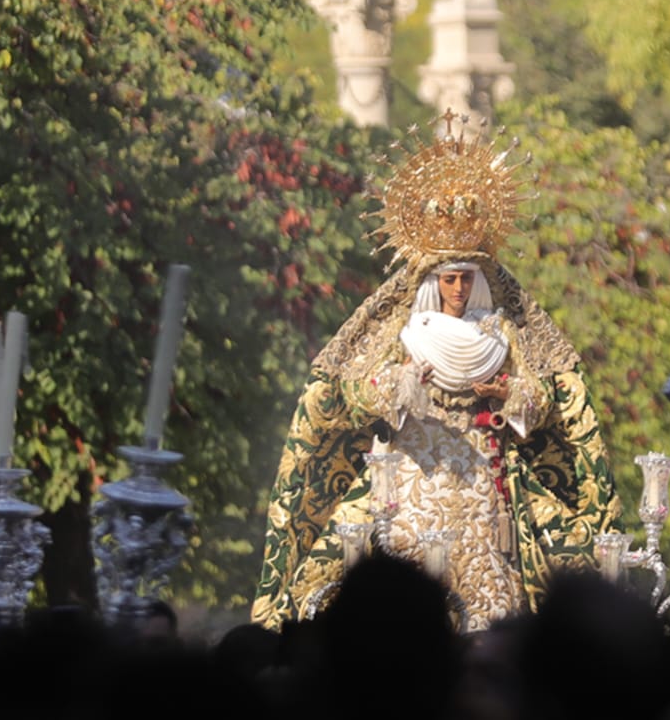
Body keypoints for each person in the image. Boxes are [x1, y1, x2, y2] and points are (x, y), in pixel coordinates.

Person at [251, 113, 622, 631]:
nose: (459, 290)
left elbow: (539, 401)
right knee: (357, 584)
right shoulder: (405, 329)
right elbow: (356, 390)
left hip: (482, 483)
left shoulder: (499, 331)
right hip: (409, 478)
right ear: (432, 280)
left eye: (467, 279)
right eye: (449, 279)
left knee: (501, 584)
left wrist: (508, 392)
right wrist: (400, 384)